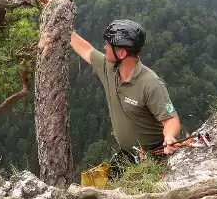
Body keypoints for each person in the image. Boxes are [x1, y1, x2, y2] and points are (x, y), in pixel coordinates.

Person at [70, 19, 181, 162]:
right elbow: (86, 50)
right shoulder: (108, 69)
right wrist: (62, 26)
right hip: (128, 154)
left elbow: (171, 119)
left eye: (109, 45)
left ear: (121, 53)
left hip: (153, 156)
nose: (104, 47)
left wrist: (170, 137)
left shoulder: (151, 84)